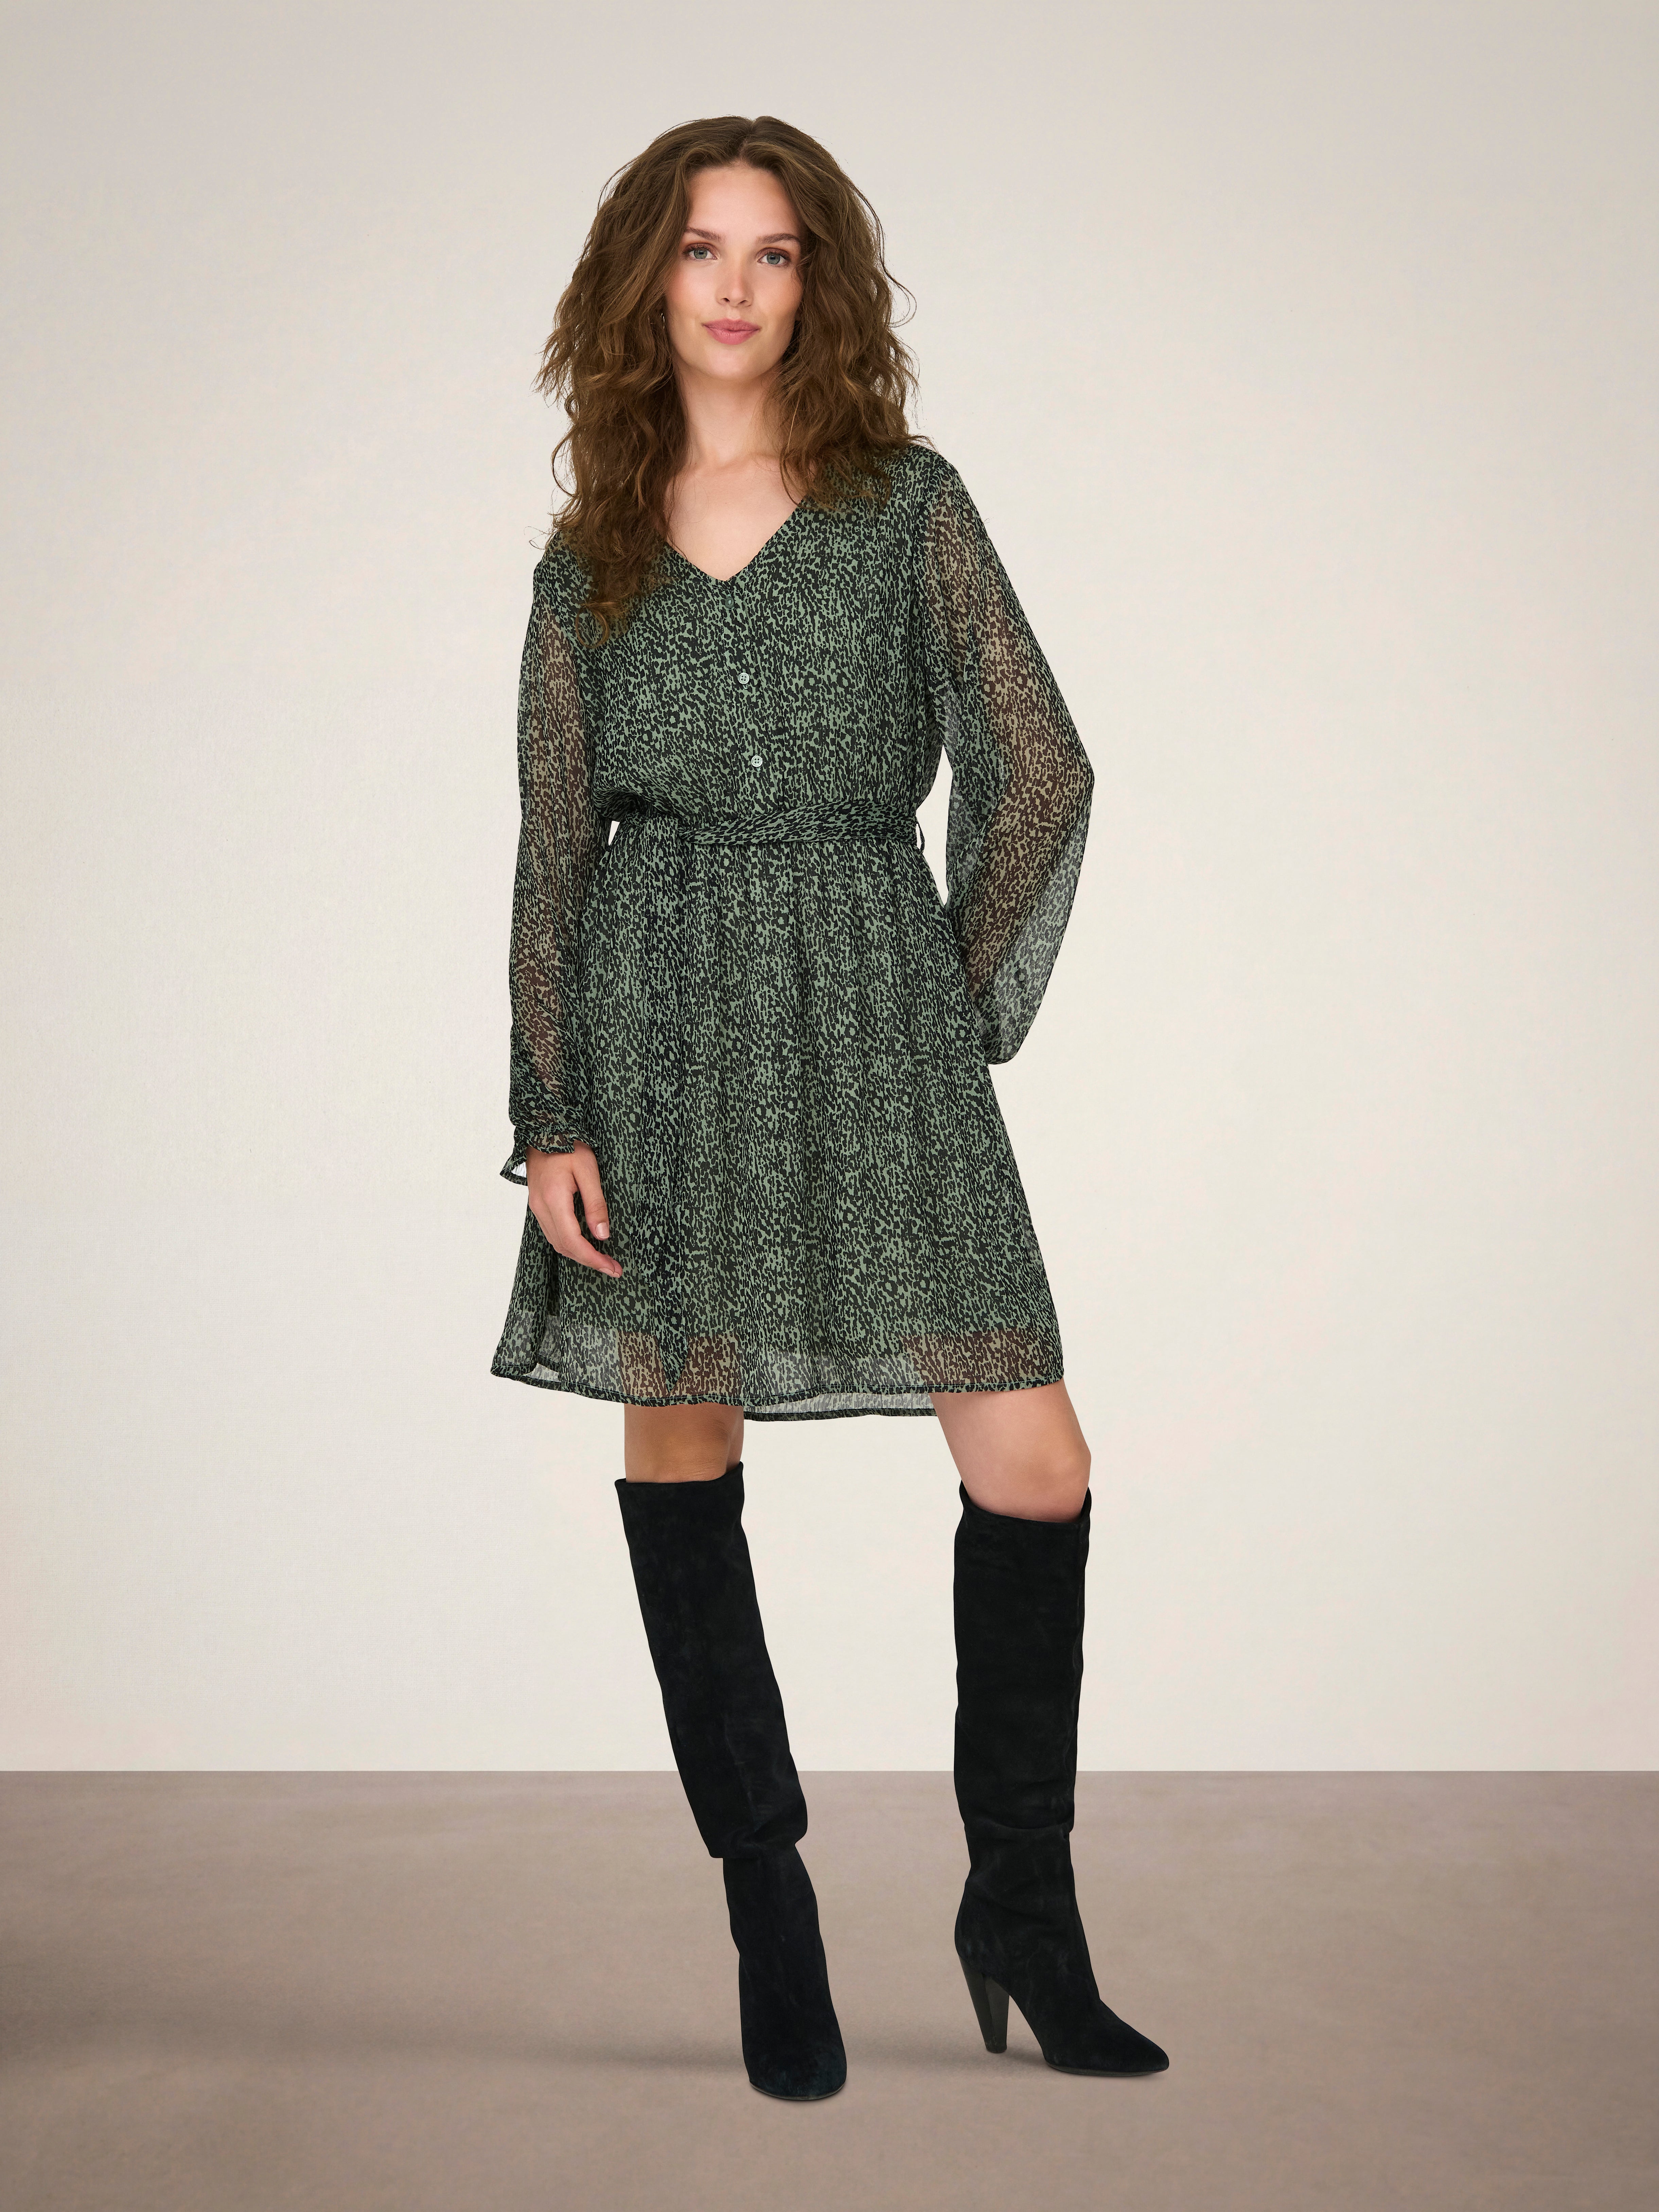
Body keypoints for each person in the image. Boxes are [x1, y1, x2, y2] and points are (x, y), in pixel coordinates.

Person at [491, 114, 1169, 2099]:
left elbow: (1039, 765)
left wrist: (941, 1004)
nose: (733, 286)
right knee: (681, 1436)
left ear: (820, 286)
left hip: (874, 1008)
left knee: (1032, 1460)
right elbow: (552, 849)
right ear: (645, 282)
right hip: (659, 1021)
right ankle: (767, 1905)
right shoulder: (590, 555)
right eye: (700, 249)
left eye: (773, 253)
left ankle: (1021, 1909)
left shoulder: (902, 507)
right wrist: (550, 1111)